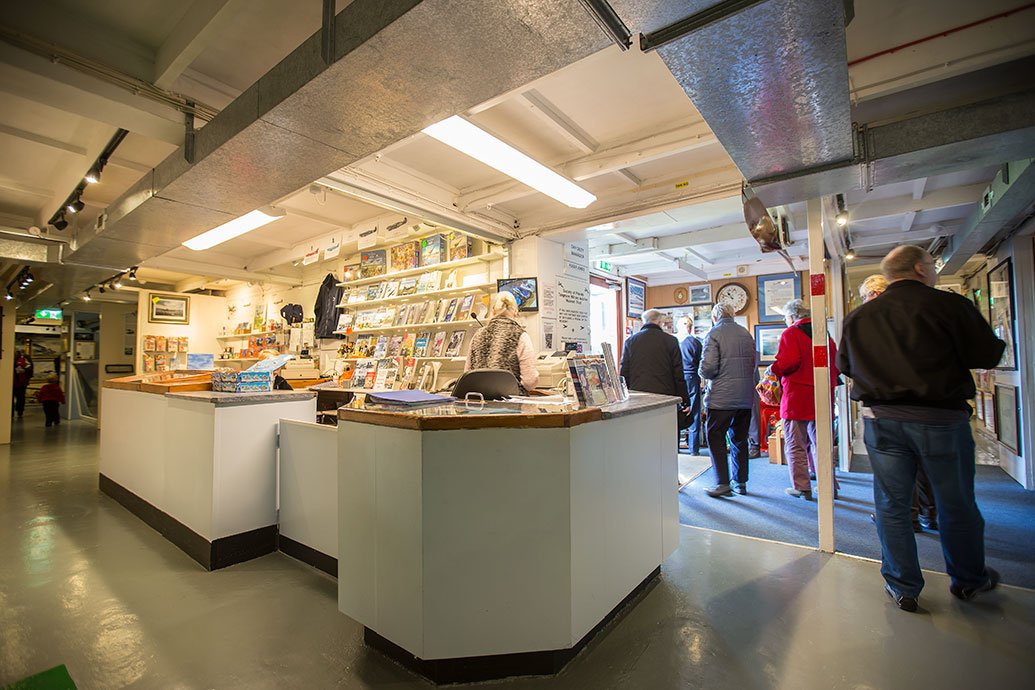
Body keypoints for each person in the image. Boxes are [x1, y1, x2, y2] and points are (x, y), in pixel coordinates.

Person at [838, 245, 1005, 613]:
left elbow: (845, 365)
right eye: (932, 264)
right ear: (919, 268)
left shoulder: (859, 317)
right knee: (955, 502)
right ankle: (968, 579)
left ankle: (903, 586)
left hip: (882, 421)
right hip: (940, 419)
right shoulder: (949, 305)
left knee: (891, 505)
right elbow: (987, 354)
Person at [859, 274, 937, 532]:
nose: (865, 302)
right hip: (927, 402)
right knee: (923, 463)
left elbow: (855, 363)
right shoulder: (919, 314)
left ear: (874, 294)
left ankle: (908, 515)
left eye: (866, 297)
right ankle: (929, 513)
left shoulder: (872, 321)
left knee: (897, 466)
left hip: (890, 404)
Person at [770, 299, 840, 500]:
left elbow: (788, 362)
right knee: (822, 443)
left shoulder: (791, 333)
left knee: (795, 443)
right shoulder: (823, 333)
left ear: (792, 316)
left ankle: (802, 487)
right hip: (822, 394)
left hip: (797, 396)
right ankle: (829, 485)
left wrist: (774, 369)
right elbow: (835, 362)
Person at [699, 303, 758, 497]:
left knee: (715, 437)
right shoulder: (746, 334)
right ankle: (740, 482)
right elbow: (753, 365)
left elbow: (708, 368)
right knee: (739, 439)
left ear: (715, 317)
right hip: (745, 396)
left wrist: (700, 373)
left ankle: (722, 482)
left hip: (721, 397)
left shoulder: (714, 334)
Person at [619, 309, 690, 415]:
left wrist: (624, 397)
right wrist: (684, 400)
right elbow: (678, 374)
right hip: (665, 396)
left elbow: (624, 372)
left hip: (638, 396)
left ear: (644, 322)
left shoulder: (630, 341)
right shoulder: (671, 341)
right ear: (660, 322)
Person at [467, 292, 539, 394]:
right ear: (515, 312)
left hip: (479, 399)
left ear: (493, 311)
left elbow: (468, 374)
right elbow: (530, 381)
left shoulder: (477, 335)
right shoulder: (520, 335)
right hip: (510, 401)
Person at [677, 317, 703, 455]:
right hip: (692, 378)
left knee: (676, 411)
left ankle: (675, 448)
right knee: (694, 412)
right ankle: (694, 448)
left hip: (677, 380)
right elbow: (700, 362)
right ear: (691, 327)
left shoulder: (674, 342)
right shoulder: (695, 342)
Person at [12, 349, 33, 419]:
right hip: (17, 382)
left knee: (19, 398)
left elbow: (29, 368)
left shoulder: (24, 358)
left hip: (19, 382)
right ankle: (16, 412)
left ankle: (17, 412)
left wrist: (24, 370)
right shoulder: (23, 358)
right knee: (19, 398)